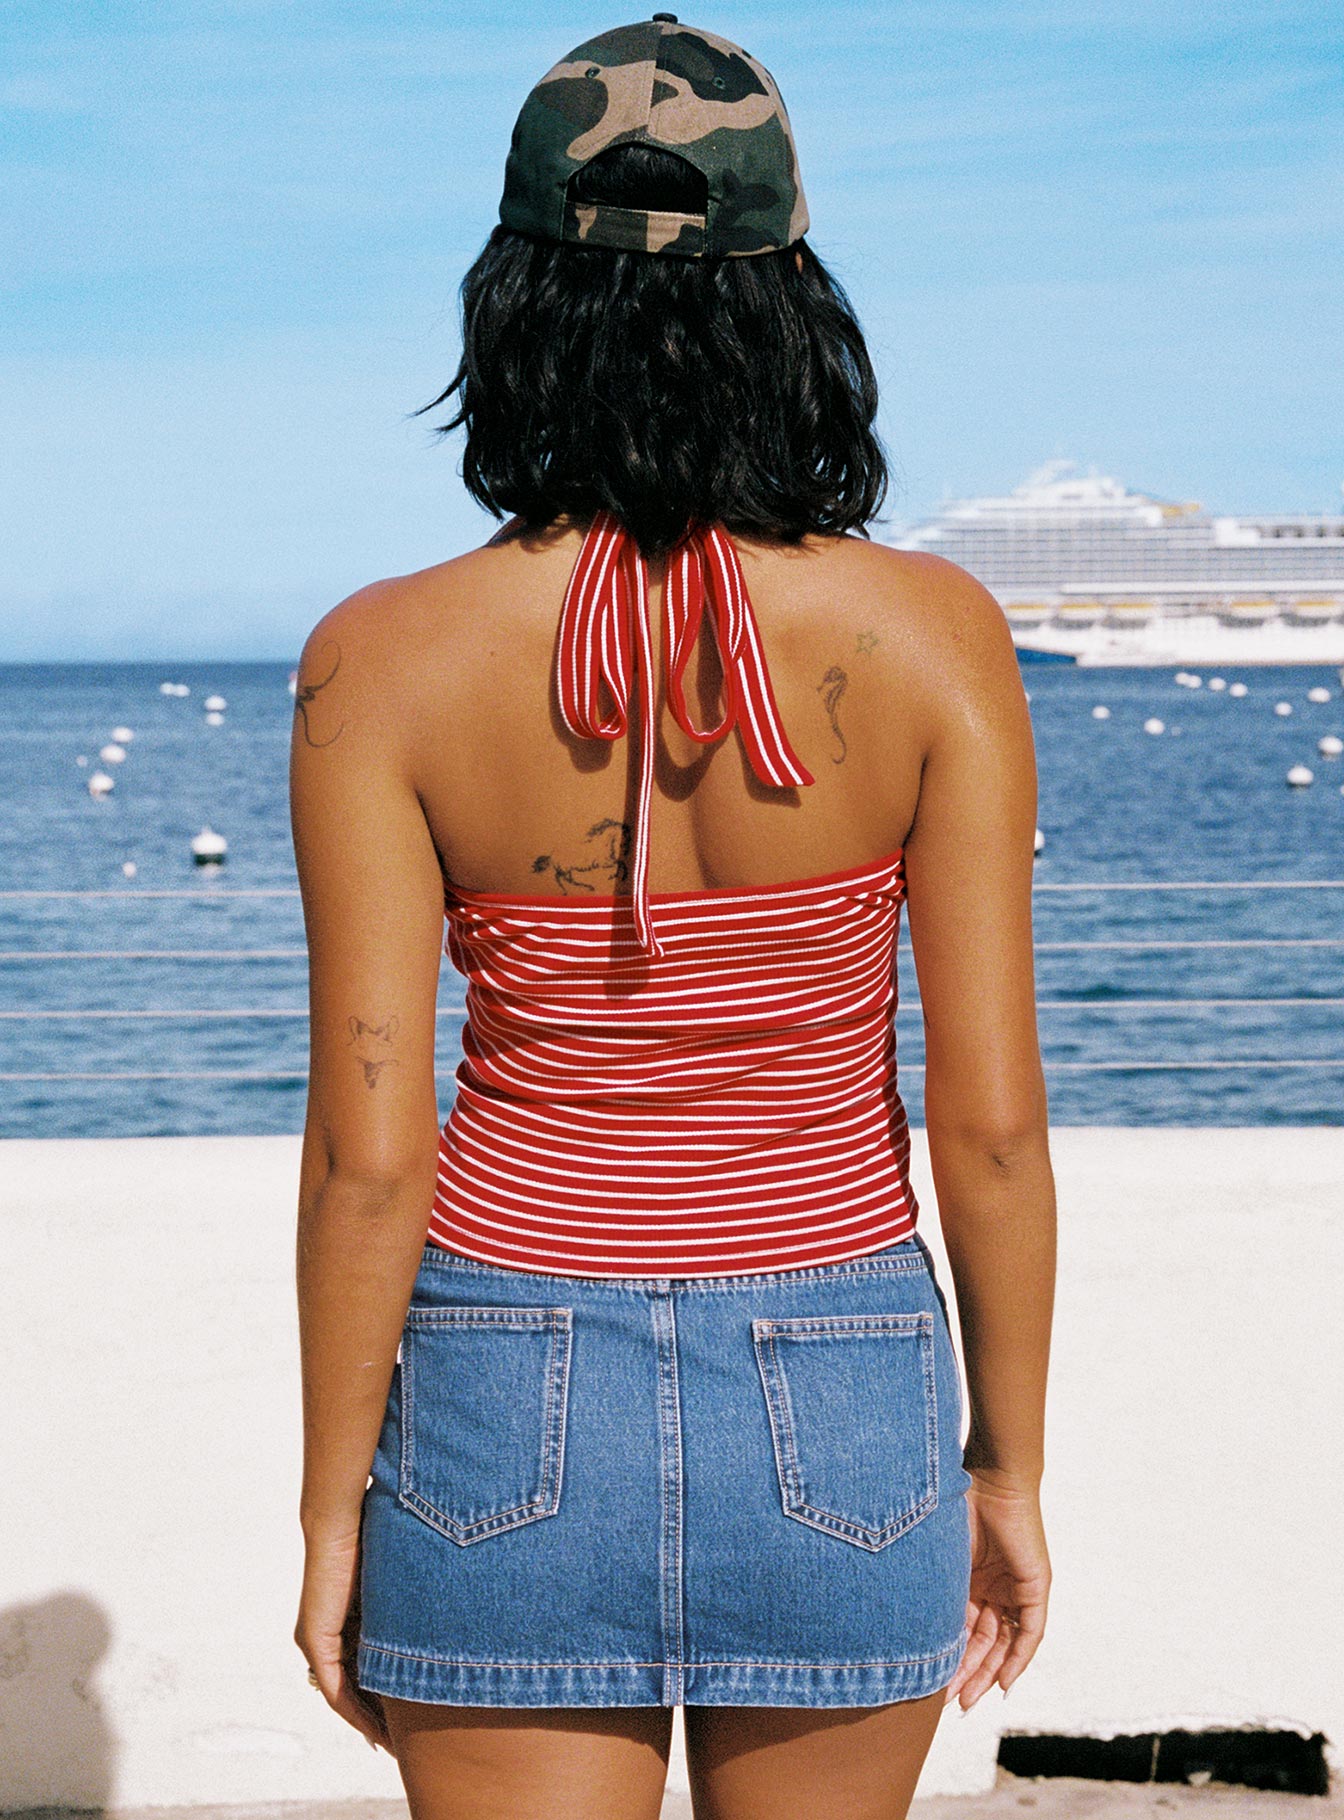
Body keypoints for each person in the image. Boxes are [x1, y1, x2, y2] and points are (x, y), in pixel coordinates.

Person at [289, 15, 1056, 1819]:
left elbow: (372, 1154)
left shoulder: (380, 657)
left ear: (512, 302)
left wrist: (334, 1507)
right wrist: (1006, 1472)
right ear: (794, 295)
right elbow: (994, 1129)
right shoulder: (935, 635)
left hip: (496, 1379)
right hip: (850, 1380)